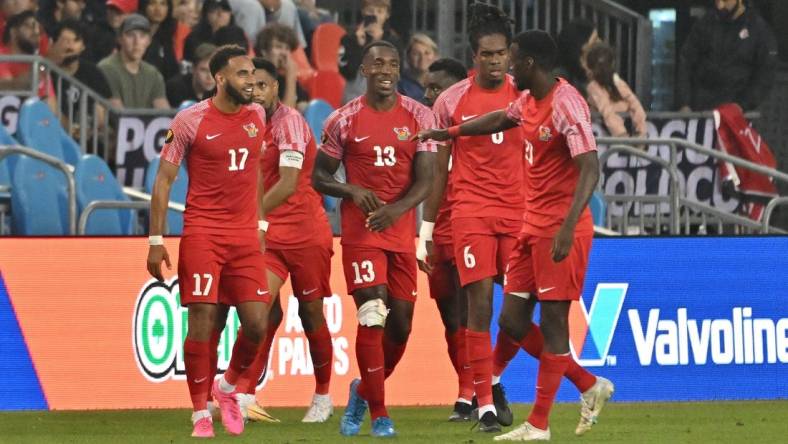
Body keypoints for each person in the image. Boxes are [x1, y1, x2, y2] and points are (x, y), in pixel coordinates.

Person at [416, 30, 614, 441]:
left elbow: (590, 167)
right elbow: (499, 120)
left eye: (514, 58)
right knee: (510, 318)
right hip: (532, 226)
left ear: (528, 64)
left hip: (560, 229)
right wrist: (450, 133)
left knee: (555, 325)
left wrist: (568, 224)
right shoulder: (527, 101)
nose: (506, 65)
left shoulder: (566, 103)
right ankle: (588, 384)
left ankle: (538, 424)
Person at [312, 40, 436, 438]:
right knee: (372, 310)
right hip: (360, 233)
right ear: (363, 69)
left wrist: (397, 211)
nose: (386, 69)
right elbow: (319, 176)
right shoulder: (342, 120)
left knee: (401, 326)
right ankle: (380, 414)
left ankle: (362, 390)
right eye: (377, 63)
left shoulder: (419, 115)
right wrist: (351, 191)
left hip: (399, 232)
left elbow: (427, 179)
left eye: (393, 64)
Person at [146, 44, 270, 439]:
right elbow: (164, 180)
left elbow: (253, 173)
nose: (251, 82)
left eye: (253, 75)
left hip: (244, 235)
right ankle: (200, 411)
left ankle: (227, 388)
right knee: (202, 319)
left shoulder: (258, 116)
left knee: (256, 322)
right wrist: (155, 239)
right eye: (242, 75)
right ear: (220, 79)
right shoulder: (189, 120)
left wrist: (261, 225)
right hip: (203, 232)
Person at [423, 3, 523, 432]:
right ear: (474, 57)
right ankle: (483, 404)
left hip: (518, 214)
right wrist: (425, 230)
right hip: (471, 214)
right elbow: (437, 170)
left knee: (518, 311)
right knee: (477, 307)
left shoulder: (525, 94)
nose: (495, 61)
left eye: (501, 54)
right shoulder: (450, 101)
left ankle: (493, 376)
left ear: (510, 55)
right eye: (487, 54)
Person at [231, 57, 336, 424]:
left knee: (310, 316)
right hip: (269, 236)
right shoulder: (244, 125)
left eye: (262, 85)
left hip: (306, 234)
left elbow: (289, 182)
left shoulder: (289, 123)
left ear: (275, 87)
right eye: (250, 85)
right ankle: (240, 392)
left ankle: (323, 395)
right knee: (257, 313)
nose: (255, 92)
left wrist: (250, 214)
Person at [416, 57, 474, 421]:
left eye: (435, 88)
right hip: (436, 227)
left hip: (471, 222)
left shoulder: (476, 121)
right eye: (426, 88)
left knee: (471, 314)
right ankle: (470, 386)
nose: (428, 94)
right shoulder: (426, 123)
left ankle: (472, 393)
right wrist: (425, 232)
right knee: (450, 318)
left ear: (455, 89)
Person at [677, 0, 777, 111]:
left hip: (737, 114)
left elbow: (765, 74)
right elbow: (686, 62)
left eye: (725, 0)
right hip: (701, 111)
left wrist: (742, 105)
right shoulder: (705, 24)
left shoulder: (758, 29)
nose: (720, 5)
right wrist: (684, 103)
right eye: (717, 0)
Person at [47, 18, 111, 138]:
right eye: (65, 41)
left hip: (89, 139)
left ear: (83, 46)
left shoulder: (93, 72)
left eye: (76, 41)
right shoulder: (45, 72)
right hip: (52, 134)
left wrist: (92, 130)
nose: (70, 47)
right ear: (53, 43)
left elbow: (102, 113)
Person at [98, 13, 169, 108]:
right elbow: (118, 115)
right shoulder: (106, 68)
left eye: (142, 36)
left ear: (149, 41)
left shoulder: (153, 74)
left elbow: (164, 113)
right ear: (120, 39)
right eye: (130, 35)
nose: (137, 42)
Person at [338, 0, 403, 104]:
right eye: (370, 11)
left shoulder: (394, 41)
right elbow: (347, 72)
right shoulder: (349, 39)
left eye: (380, 11)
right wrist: (359, 46)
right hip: (354, 101)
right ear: (363, 11)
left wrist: (377, 41)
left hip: (386, 101)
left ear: (387, 15)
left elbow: (398, 73)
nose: (375, 15)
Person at [584, 42, 647, 138]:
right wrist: (640, 132)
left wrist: (625, 135)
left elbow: (607, 111)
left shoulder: (600, 85)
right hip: (617, 137)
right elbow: (636, 106)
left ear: (591, 68)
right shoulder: (615, 82)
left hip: (612, 139)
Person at [254, 22, 308, 109]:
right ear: (264, 51)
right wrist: (291, 77)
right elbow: (284, 118)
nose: (284, 53)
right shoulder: (256, 78)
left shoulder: (284, 79)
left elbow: (304, 107)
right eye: (278, 47)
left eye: (287, 48)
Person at [139, 0, 189, 79]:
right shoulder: (134, 31)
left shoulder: (170, 33)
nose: (158, 9)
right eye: (152, 3)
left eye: (163, 4)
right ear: (144, 5)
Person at [553, 18, 598, 95]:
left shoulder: (594, 70)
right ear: (582, 46)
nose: (600, 43)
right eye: (595, 40)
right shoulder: (559, 77)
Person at [166, 42, 215, 107]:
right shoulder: (176, 88)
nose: (209, 77)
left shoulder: (224, 90)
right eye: (203, 70)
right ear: (193, 69)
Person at [398, 33, 438, 101]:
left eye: (427, 53)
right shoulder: (399, 86)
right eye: (416, 53)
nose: (422, 58)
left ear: (436, 57)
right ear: (408, 57)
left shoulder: (442, 85)